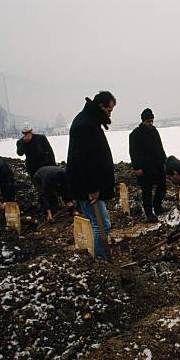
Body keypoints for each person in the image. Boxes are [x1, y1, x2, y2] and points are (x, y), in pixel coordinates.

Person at [66, 91, 116, 259]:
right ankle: (101, 261)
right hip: (87, 187)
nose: (110, 114)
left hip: (89, 185)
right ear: (101, 107)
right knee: (101, 224)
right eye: (109, 110)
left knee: (101, 223)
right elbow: (84, 161)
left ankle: (101, 257)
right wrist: (92, 188)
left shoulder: (88, 121)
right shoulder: (85, 126)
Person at [129, 108, 167, 222]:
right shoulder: (135, 134)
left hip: (157, 165)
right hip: (144, 168)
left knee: (162, 186)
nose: (150, 124)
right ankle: (149, 213)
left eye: (152, 121)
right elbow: (133, 152)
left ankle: (158, 207)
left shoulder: (154, 131)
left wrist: (164, 161)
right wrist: (137, 167)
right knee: (147, 191)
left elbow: (160, 148)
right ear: (143, 121)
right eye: (148, 121)